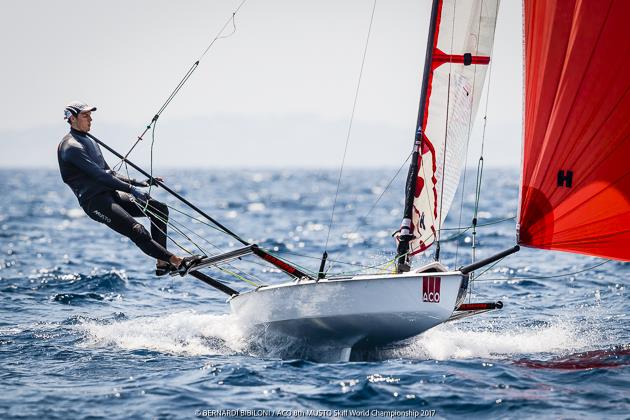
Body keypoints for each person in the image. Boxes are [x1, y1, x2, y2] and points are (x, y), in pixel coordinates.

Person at [57, 101, 200, 276]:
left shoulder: (89, 141)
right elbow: (100, 176)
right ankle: (177, 261)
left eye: (90, 115)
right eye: (85, 116)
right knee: (137, 230)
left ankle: (163, 262)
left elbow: (109, 172)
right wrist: (131, 189)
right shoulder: (71, 147)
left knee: (159, 209)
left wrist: (142, 182)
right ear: (72, 118)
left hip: (111, 194)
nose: (91, 119)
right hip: (95, 202)